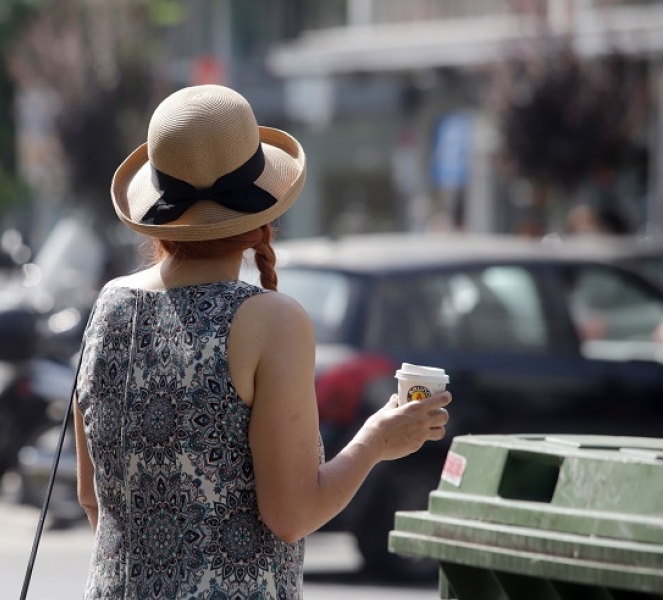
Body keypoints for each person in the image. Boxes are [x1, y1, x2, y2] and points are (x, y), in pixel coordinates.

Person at [73, 85, 451, 598]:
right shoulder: (270, 320)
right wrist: (377, 441)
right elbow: (292, 515)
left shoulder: (110, 304)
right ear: (262, 215)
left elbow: (92, 496)